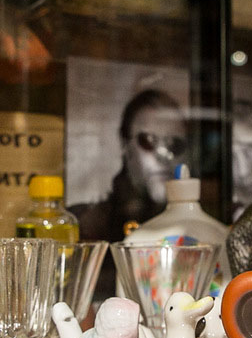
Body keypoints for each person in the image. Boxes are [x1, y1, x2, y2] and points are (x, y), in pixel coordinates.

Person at [72, 89, 189, 243]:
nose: (163, 156)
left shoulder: (194, 228)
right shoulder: (91, 225)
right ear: (125, 145)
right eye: (148, 140)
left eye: (174, 143)